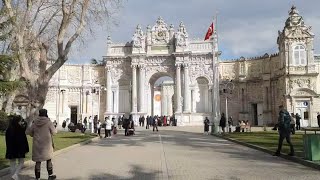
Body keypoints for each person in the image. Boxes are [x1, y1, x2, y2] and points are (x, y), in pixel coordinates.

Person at [26, 109, 57, 180]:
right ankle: (50, 175)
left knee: (38, 161)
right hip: (46, 144)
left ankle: (37, 178)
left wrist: (34, 134)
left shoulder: (35, 122)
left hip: (37, 144)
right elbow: (54, 132)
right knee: (48, 159)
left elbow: (30, 132)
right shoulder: (49, 122)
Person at [5, 115, 29, 180]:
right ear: (18, 121)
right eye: (21, 121)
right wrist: (25, 149)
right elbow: (23, 140)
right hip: (19, 149)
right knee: (21, 162)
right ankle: (15, 175)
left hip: (11, 149)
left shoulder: (8, 129)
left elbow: (7, 140)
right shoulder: (20, 129)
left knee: (12, 163)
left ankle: (14, 176)